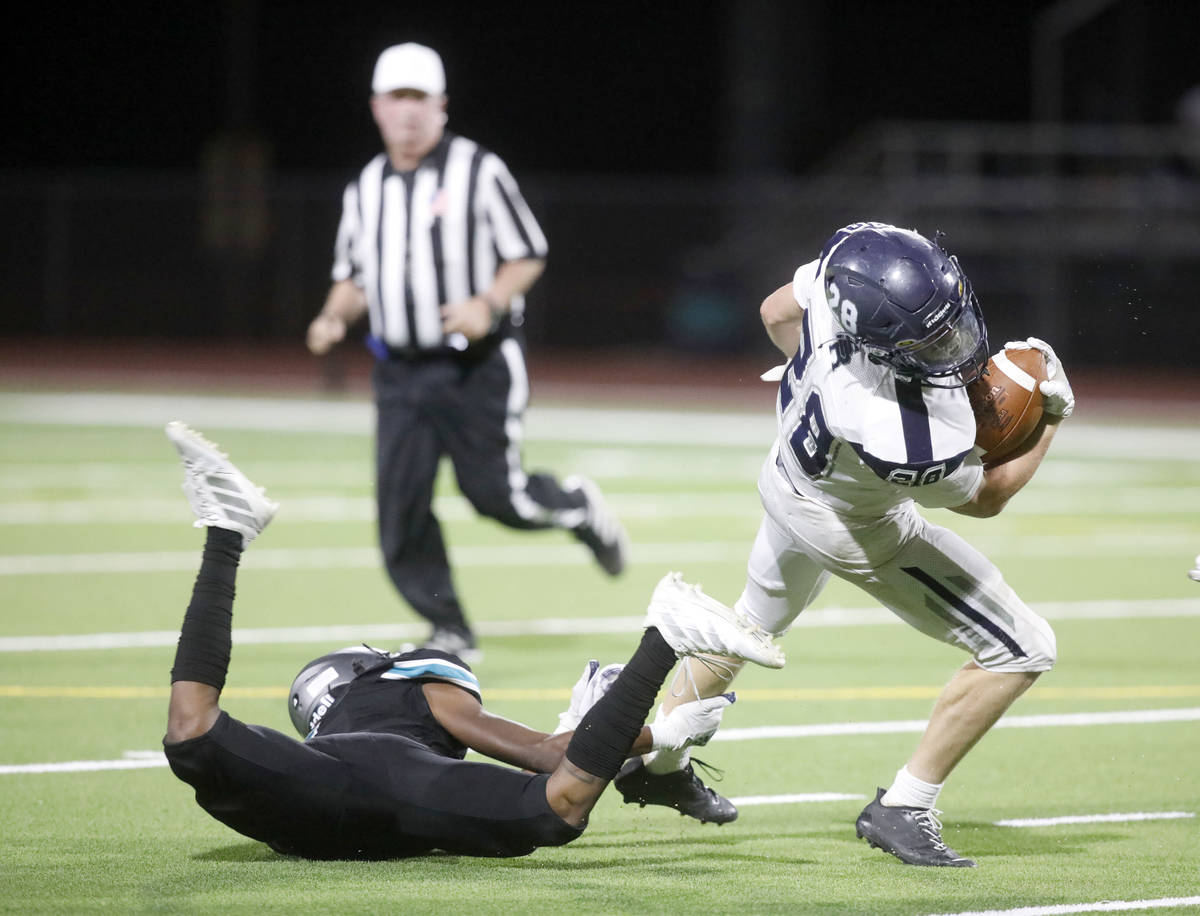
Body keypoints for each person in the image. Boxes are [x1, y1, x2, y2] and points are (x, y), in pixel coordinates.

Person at [616, 222, 1076, 867]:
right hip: (851, 524)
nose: (955, 344)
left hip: (787, 473)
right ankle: (905, 805)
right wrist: (1051, 418)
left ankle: (659, 764)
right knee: (1021, 649)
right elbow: (987, 497)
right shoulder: (909, 432)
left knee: (748, 623)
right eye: (930, 339)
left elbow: (777, 311)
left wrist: (812, 368)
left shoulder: (856, 267)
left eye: (951, 321)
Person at [161, 421, 781, 860]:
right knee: (557, 807)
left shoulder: (391, 697)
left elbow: (548, 753)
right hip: (385, 801)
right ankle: (664, 634)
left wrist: (647, 732)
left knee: (193, 735)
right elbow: (548, 754)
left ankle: (226, 532)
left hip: (356, 800)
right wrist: (657, 733)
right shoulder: (401, 695)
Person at [305, 43, 627, 659]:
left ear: (441, 106)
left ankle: (578, 507)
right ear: (376, 107)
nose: (406, 112)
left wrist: (486, 303)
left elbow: (527, 251)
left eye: (418, 98)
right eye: (395, 98)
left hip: (475, 367)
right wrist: (331, 315)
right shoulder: (365, 187)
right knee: (399, 506)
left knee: (497, 497)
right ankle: (448, 626)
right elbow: (353, 276)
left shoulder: (479, 170)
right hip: (399, 369)